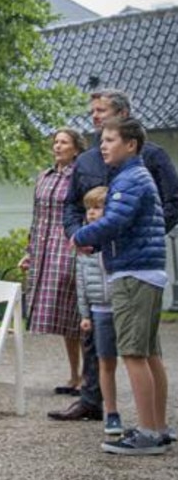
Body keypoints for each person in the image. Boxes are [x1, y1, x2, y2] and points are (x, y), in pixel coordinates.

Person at [51, 88, 178, 423]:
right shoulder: (89, 161)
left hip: (132, 263)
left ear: (124, 118)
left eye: (102, 111)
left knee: (136, 351)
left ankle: (151, 428)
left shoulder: (143, 165)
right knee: (101, 339)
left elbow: (137, 213)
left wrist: (136, 236)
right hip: (104, 260)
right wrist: (78, 237)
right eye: (92, 112)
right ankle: (97, 404)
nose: (94, 118)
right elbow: (71, 206)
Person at [72, 117, 172, 454]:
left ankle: (147, 433)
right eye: (102, 140)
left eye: (111, 139)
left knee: (131, 353)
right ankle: (158, 428)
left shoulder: (130, 179)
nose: (103, 145)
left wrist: (80, 237)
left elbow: (114, 221)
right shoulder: (132, 177)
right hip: (144, 270)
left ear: (131, 145)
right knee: (150, 354)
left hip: (134, 274)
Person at [19, 129, 86, 396]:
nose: (57, 146)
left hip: (68, 247)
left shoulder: (80, 177)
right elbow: (37, 218)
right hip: (44, 248)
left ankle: (89, 378)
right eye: (55, 142)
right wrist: (29, 250)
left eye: (63, 142)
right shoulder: (44, 177)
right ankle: (73, 375)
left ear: (76, 149)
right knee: (62, 314)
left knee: (77, 312)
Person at [74, 187, 121, 437]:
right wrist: (84, 314)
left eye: (97, 207)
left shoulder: (119, 239)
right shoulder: (83, 245)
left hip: (122, 304)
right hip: (98, 308)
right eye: (89, 209)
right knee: (105, 361)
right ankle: (111, 412)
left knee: (137, 357)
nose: (92, 213)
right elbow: (80, 283)